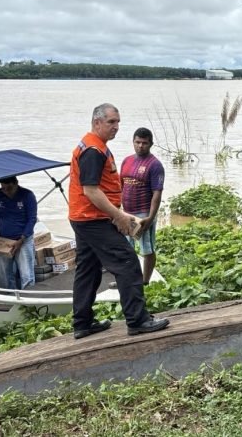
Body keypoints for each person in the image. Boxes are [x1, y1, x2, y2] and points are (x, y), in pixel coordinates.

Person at [69, 103, 169, 339]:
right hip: (92, 219)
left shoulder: (97, 146)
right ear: (97, 123)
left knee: (88, 269)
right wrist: (119, 216)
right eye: (111, 122)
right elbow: (91, 191)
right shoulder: (93, 150)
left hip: (82, 217)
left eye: (118, 122)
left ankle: (82, 323)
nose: (116, 127)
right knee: (127, 262)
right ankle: (138, 320)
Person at [121, 127, 164, 285]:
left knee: (147, 248)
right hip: (126, 213)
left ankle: (145, 281)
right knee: (126, 248)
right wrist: (116, 211)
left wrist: (150, 218)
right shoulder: (127, 161)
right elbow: (121, 186)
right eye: (137, 142)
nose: (140, 146)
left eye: (144, 143)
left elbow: (157, 194)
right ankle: (127, 278)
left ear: (151, 144)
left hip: (144, 213)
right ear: (133, 142)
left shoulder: (155, 165)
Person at [0, 176, 37, 289]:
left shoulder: (27, 195)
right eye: (3, 188)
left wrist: (22, 238)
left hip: (23, 240)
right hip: (4, 240)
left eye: (9, 188)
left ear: (16, 183)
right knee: (4, 275)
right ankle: (10, 298)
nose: (6, 191)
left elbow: (32, 219)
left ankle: (29, 301)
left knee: (27, 275)